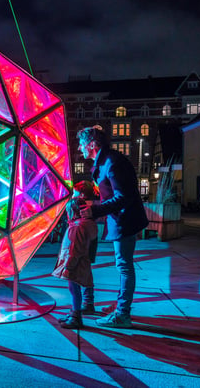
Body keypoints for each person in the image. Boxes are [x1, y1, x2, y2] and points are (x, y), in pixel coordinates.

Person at [77, 127, 148, 328]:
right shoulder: (106, 161)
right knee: (123, 265)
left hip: (124, 220)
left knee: (124, 266)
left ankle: (122, 314)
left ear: (92, 144)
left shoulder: (112, 162)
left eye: (82, 144)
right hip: (120, 219)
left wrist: (95, 210)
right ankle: (121, 310)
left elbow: (123, 196)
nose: (80, 148)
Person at [52, 197, 99, 329]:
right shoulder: (86, 224)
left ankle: (76, 316)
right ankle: (74, 312)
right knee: (75, 288)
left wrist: (68, 266)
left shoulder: (77, 227)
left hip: (74, 264)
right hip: (81, 262)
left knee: (74, 289)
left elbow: (74, 249)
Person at [72, 180, 100, 314]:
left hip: (83, 244)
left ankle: (87, 302)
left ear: (81, 193)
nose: (73, 194)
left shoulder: (82, 206)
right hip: (90, 243)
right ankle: (88, 301)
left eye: (75, 192)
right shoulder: (91, 206)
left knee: (82, 272)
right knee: (87, 271)